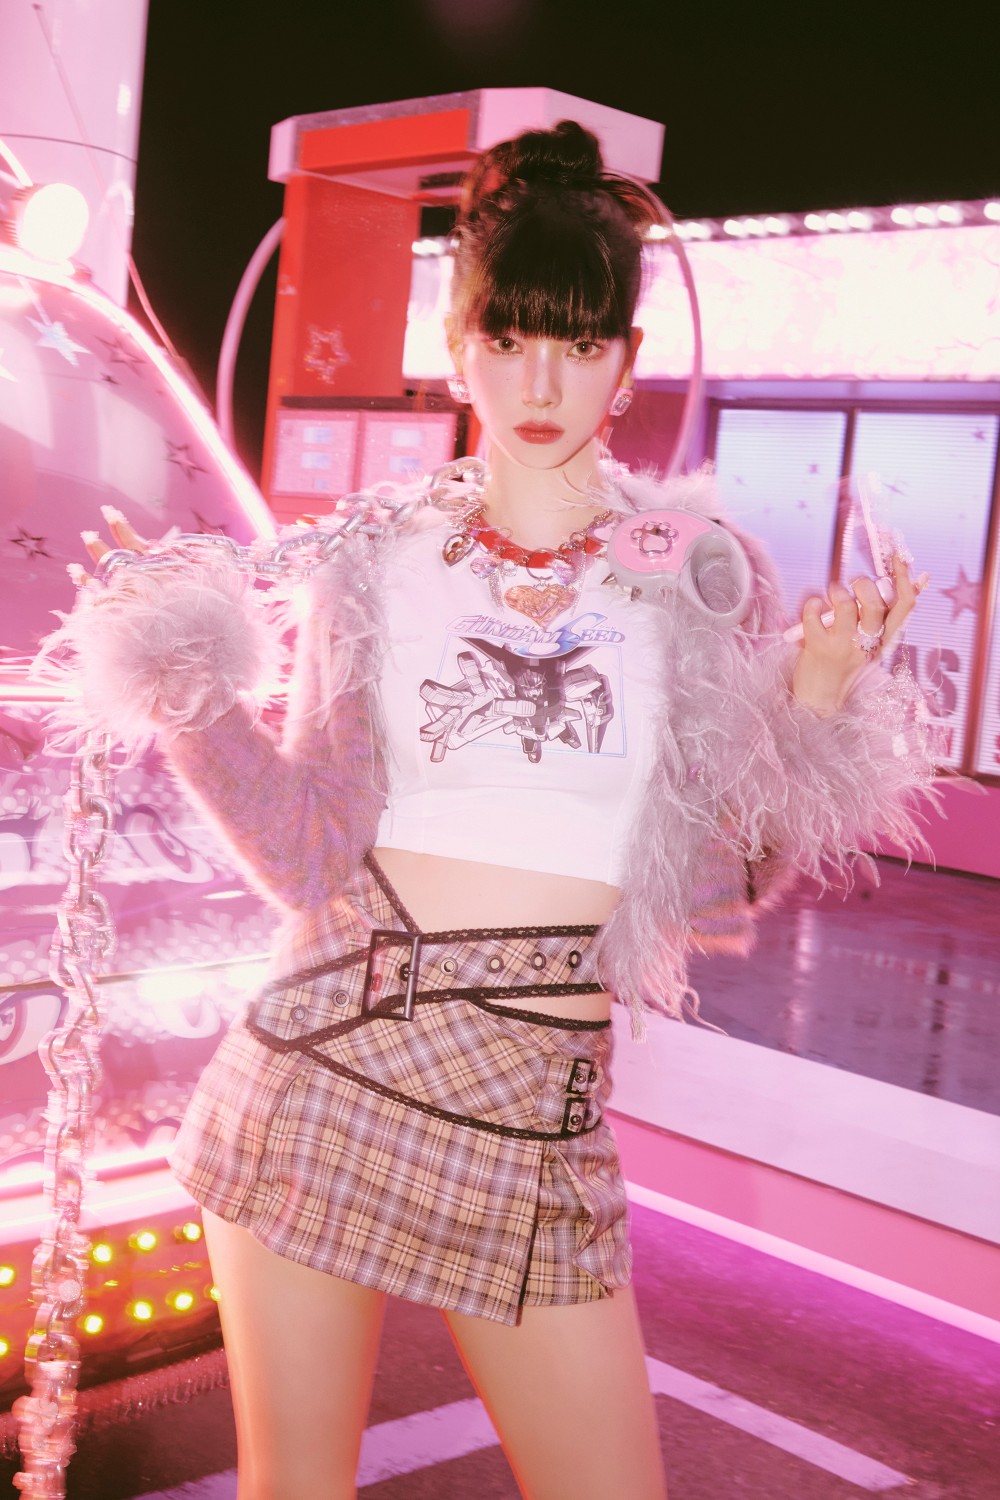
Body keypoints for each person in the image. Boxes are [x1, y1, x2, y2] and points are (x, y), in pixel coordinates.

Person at [54, 120, 932, 1500]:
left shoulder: (697, 569)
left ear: (625, 363)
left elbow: (716, 883)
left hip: (536, 1104)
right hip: (324, 1064)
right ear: (458, 348)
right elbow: (307, 852)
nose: (541, 381)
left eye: (577, 345)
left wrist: (810, 706)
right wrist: (187, 690)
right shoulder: (374, 557)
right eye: (509, 339)